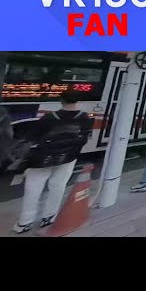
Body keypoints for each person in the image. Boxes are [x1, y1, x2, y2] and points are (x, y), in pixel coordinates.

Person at [13, 90, 92, 234]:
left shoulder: (50, 117)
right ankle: (49, 217)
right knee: (58, 186)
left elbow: (32, 138)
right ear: (77, 101)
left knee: (34, 188)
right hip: (68, 157)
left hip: (43, 159)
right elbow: (84, 138)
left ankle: (25, 222)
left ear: (61, 100)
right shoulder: (85, 118)